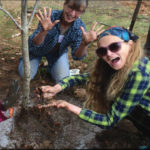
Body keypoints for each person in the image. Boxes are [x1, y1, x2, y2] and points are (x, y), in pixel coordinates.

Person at [36, 26, 150, 149]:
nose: (109, 54)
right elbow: (82, 78)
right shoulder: (117, 63)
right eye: (102, 51)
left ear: (131, 44)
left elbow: (109, 121)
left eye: (114, 46)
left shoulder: (139, 73)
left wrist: (67, 105)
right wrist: (57, 88)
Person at [18, 0, 103, 82]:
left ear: (82, 12)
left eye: (77, 10)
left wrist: (84, 44)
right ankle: (27, 60)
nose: (72, 13)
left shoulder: (79, 27)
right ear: (64, 4)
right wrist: (43, 32)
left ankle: (52, 66)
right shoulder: (50, 17)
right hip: (37, 51)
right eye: (70, 7)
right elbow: (34, 44)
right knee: (26, 75)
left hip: (57, 53)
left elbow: (77, 56)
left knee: (62, 79)